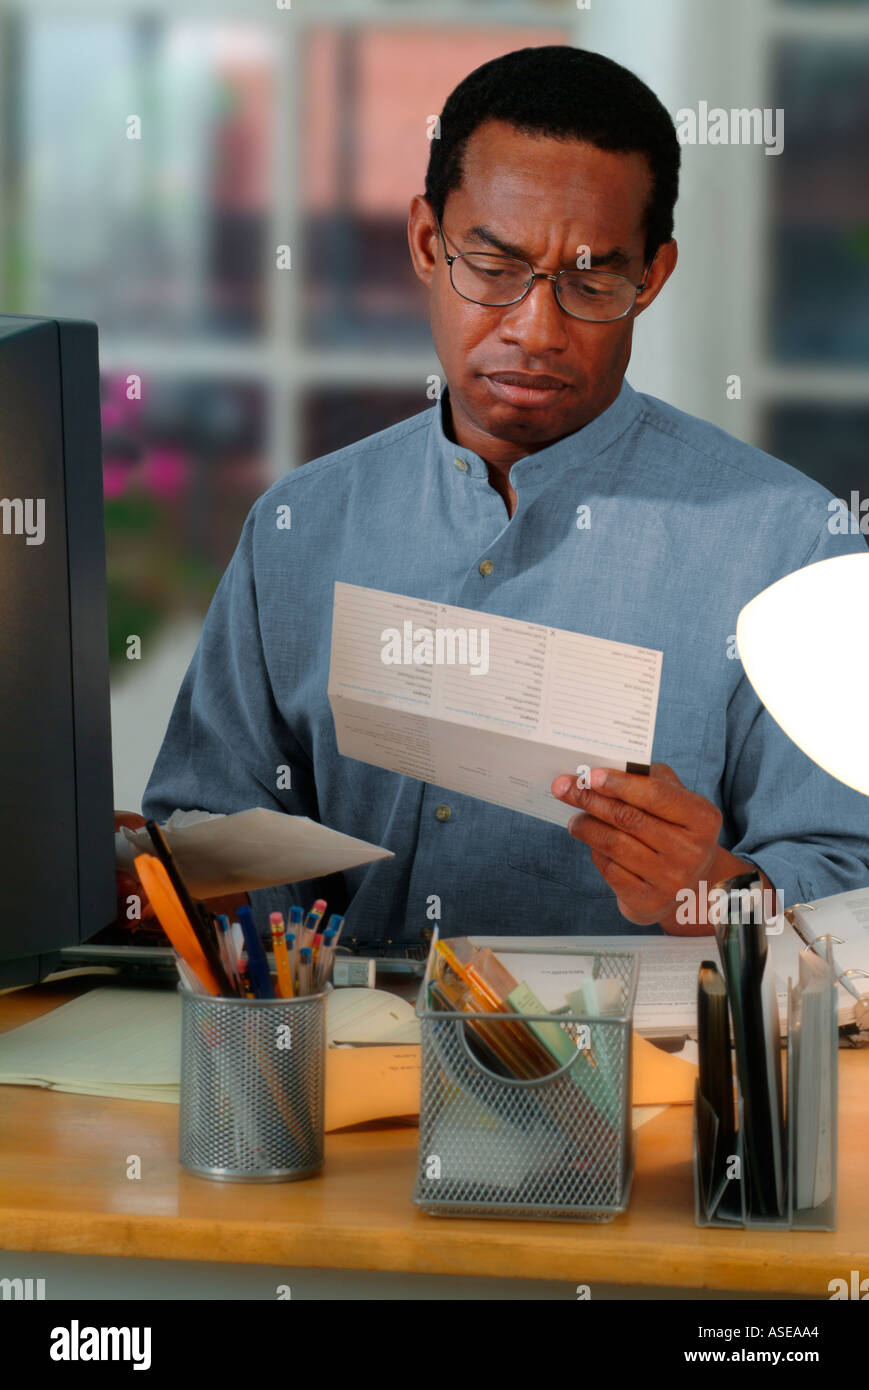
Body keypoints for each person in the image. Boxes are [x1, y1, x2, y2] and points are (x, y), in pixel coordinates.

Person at [124, 46, 869, 943]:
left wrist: (716, 891)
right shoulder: (300, 524)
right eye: (494, 267)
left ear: (651, 277)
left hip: (651, 1074)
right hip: (330, 1062)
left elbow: (851, 883)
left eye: (590, 280)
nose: (535, 329)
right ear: (427, 243)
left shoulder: (791, 545)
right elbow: (204, 829)